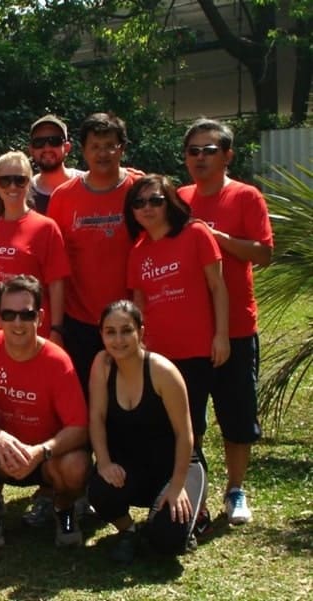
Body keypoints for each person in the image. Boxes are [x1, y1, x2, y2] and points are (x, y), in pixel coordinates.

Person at [0, 275, 90, 557]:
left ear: (40, 317)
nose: (17, 323)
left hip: (46, 459)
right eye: (9, 314)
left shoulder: (57, 359)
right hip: (4, 453)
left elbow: (79, 428)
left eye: (26, 315)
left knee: (77, 464)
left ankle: (63, 510)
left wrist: (41, 452)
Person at [178, 118, 274, 525]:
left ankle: (235, 490)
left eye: (209, 150)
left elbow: (264, 254)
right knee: (190, 417)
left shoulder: (246, 197)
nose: (200, 158)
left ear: (227, 155)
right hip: (189, 331)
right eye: (193, 151)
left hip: (235, 327)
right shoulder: (179, 198)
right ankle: (194, 489)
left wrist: (217, 238)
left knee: (236, 415)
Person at [124, 175, 230, 479]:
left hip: (195, 350)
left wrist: (221, 335)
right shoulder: (138, 250)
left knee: (191, 426)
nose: (147, 208)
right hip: (158, 355)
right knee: (165, 427)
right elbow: (139, 306)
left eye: (155, 200)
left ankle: (196, 502)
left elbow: (218, 287)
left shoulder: (195, 233)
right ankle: (169, 496)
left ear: (169, 202)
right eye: (139, 203)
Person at [88, 300, 206, 563]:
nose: (118, 340)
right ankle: (128, 531)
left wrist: (176, 487)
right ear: (102, 335)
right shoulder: (102, 364)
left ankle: (193, 518)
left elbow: (184, 434)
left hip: (176, 467)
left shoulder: (163, 372)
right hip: (132, 467)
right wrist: (104, 462)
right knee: (100, 488)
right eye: (110, 332)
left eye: (126, 330)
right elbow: (96, 417)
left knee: (167, 542)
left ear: (140, 332)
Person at [47, 112, 142, 395]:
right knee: (86, 396)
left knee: (129, 395)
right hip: (80, 319)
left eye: (110, 145)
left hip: (129, 317)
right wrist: (58, 325)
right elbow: (54, 261)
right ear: (83, 151)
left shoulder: (140, 189)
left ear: (122, 148)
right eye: (95, 146)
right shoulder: (63, 197)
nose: (103, 153)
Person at [0, 150, 69, 342]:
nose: (12, 186)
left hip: (31, 332)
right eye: (5, 180)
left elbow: (57, 284)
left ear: (30, 182)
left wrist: (56, 330)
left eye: (20, 180)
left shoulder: (45, 227)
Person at [27, 115, 83, 214]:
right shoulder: (24, 192)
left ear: (67, 147)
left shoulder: (87, 184)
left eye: (54, 141)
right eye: (39, 142)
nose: (47, 148)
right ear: (31, 150)